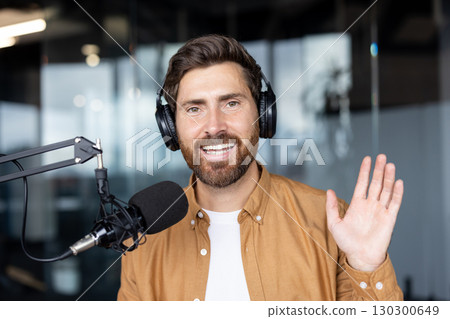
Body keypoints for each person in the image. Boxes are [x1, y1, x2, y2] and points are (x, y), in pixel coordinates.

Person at [117, 34, 404, 301]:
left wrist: (366, 266)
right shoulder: (144, 240)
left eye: (231, 103)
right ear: (170, 127)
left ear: (263, 115)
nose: (214, 126)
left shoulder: (328, 223)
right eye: (194, 109)